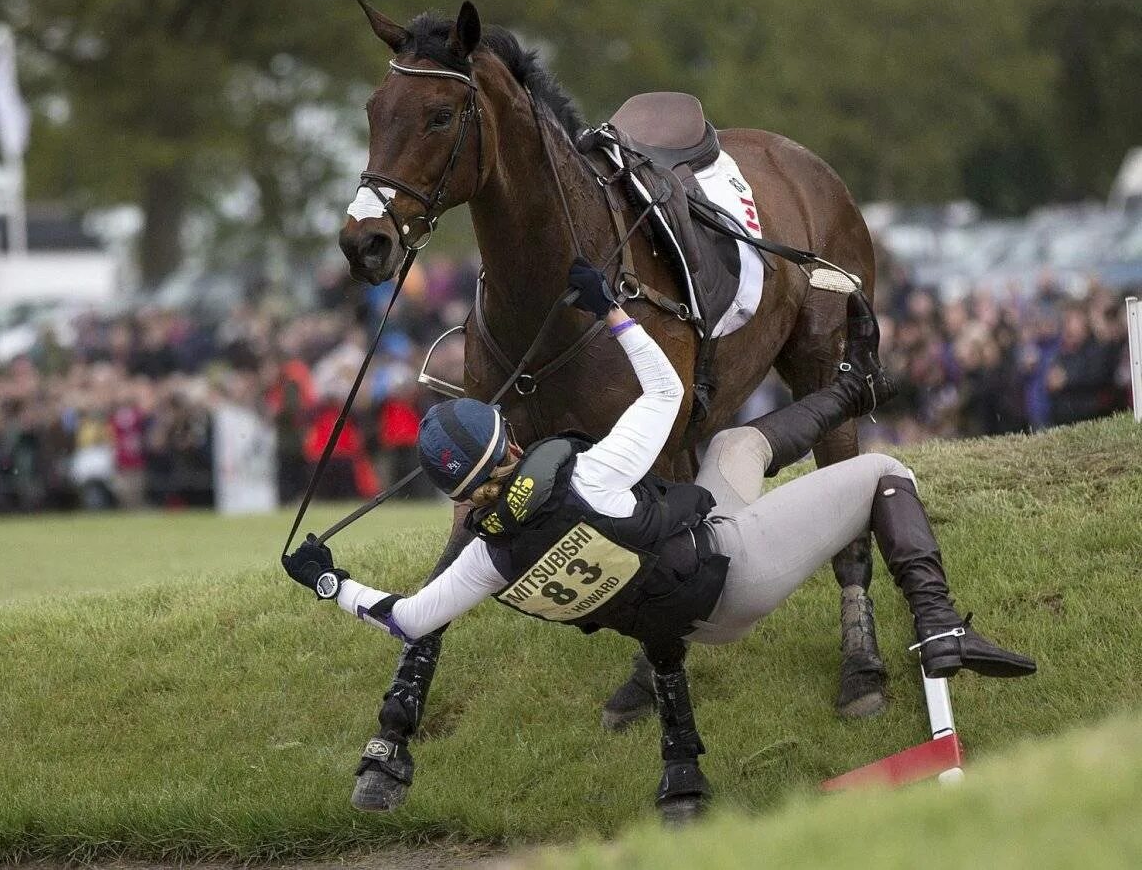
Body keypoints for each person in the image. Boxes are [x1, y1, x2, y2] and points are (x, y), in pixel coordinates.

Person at [283, 259, 1036, 816]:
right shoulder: (588, 472)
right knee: (882, 469)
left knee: (735, 449)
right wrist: (612, 311)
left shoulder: (488, 555)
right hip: (735, 567)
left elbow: (407, 618)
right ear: (508, 444)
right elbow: (667, 392)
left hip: (682, 612)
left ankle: (853, 388)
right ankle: (937, 623)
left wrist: (328, 580)